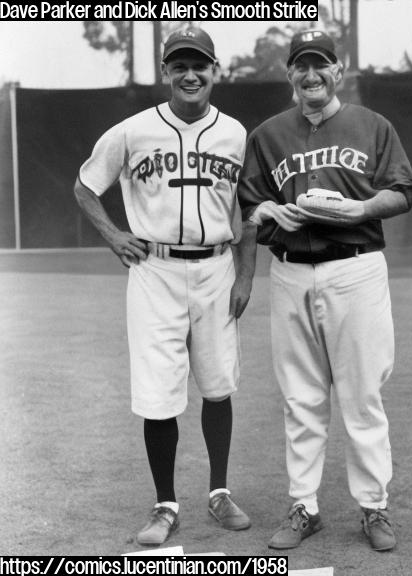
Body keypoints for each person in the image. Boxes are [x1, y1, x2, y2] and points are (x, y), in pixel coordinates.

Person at [73, 26, 255, 546]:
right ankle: (165, 504)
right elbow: (85, 186)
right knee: (158, 391)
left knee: (218, 383)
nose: (190, 75)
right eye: (180, 66)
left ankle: (219, 493)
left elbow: (251, 211)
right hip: (155, 269)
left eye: (200, 65)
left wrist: (245, 274)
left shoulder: (237, 135)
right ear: (167, 73)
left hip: (218, 265)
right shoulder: (132, 130)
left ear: (215, 71)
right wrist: (112, 235)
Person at [237, 29, 412, 553]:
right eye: (301, 66)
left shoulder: (372, 125)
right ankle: (304, 506)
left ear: (338, 71)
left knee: (362, 394)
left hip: (355, 267)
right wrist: (267, 211)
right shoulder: (267, 135)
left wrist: (361, 209)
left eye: (321, 65)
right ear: (289, 74)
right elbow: (249, 206)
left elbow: (403, 191)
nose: (311, 74)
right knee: (300, 396)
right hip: (290, 269)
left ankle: (374, 506)